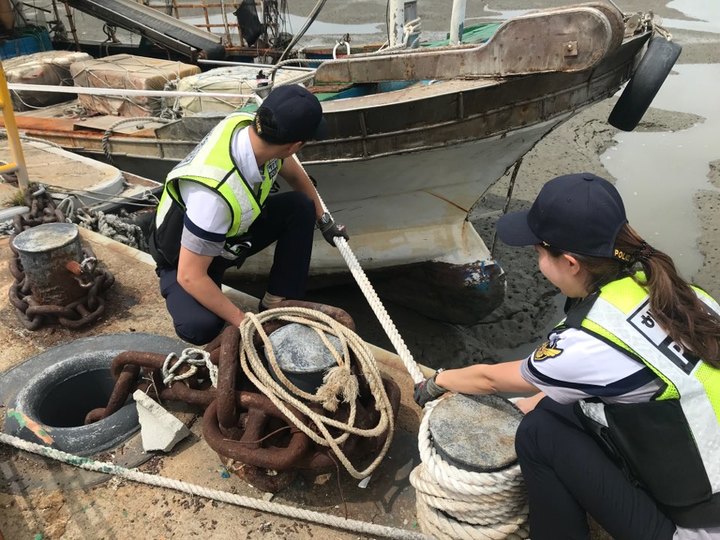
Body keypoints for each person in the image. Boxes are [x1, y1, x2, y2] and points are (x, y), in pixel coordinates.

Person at [414, 173, 720, 540]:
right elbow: (616, 378)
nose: (539, 261)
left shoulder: (589, 337)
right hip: (702, 479)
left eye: (540, 253)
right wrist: (539, 398)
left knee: (538, 433)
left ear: (571, 263)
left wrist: (437, 381)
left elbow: (491, 379)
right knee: (551, 405)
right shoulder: (688, 298)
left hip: (699, 529)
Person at [148, 84, 348, 345]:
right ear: (294, 145)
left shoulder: (249, 128)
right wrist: (245, 321)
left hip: (229, 239)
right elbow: (190, 275)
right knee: (200, 327)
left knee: (301, 206)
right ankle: (184, 290)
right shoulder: (213, 197)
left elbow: (294, 173)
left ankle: (277, 301)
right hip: (183, 256)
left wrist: (324, 220)